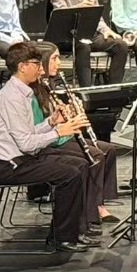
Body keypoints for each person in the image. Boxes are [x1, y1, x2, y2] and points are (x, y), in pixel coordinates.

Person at [0, 42, 95, 252]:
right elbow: (26, 144)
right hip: (11, 165)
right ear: (22, 66)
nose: (40, 68)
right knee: (69, 174)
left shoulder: (21, 93)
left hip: (24, 158)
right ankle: (60, 238)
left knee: (81, 164)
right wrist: (58, 132)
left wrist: (51, 122)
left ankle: (74, 230)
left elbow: (29, 132)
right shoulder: (11, 98)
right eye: (36, 63)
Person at [31, 42, 120, 227]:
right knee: (95, 155)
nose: (59, 64)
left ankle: (98, 202)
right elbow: (39, 128)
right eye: (54, 59)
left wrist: (71, 113)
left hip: (60, 137)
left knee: (108, 149)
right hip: (50, 143)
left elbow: (55, 119)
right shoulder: (33, 93)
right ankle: (89, 211)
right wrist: (67, 126)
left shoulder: (49, 85)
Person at [48, 0, 130, 87]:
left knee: (120, 44)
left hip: (89, 33)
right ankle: (86, 91)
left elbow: (97, 17)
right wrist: (80, 6)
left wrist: (106, 30)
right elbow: (61, 14)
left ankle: (112, 89)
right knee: (84, 46)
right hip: (68, 36)